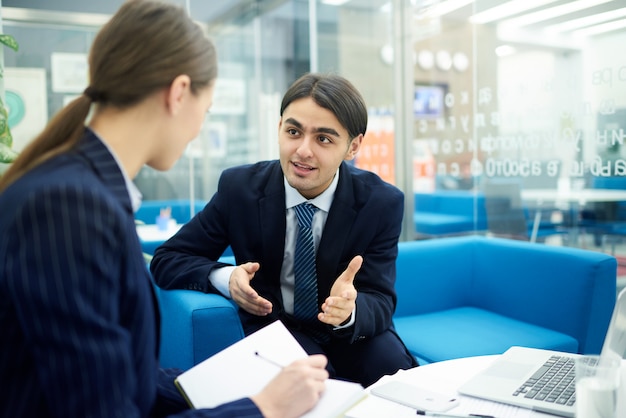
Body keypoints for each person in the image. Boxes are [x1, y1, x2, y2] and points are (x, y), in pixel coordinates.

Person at [0, 1, 329, 417]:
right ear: (178, 93)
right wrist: (262, 408)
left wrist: (211, 389)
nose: (199, 130)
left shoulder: (79, 189)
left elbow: (113, 374)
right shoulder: (69, 208)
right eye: (204, 111)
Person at [151, 72, 418, 387]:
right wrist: (226, 279)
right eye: (294, 131)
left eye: (323, 138)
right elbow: (167, 258)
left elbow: (380, 299)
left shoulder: (380, 203)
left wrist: (349, 310)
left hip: (347, 332)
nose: (303, 150)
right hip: (276, 328)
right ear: (279, 128)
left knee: (400, 380)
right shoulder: (239, 189)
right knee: (314, 389)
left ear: (352, 146)